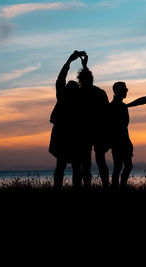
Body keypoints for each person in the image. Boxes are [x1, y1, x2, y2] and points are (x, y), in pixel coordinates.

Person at [49, 51, 83, 189]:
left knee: (63, 166)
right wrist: (75, 63)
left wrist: (69, 61)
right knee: (71, 166)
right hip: (67, 135)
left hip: (67, 135)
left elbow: (60, 79)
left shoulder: (65, 98)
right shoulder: (75, 100)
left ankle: (59, 188)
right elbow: (61, 79)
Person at [77, 53, 110, 189]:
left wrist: (84, 66)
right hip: (98, 131)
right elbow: (108, 114)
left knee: (86, 163)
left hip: (86, 131)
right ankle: (106, 186)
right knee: (99, 161)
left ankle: (89, 186)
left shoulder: (78, 94)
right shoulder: (99, 92)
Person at [108, 82, 133, 190]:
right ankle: (119, 187)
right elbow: (123, 125)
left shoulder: (120, 106)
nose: (126, 91)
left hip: (122, 140)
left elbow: (125, 125)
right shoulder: (118, 106)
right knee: (120, 166)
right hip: (119, 141)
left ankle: (119, 186)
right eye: (124, 89)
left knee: (121, 166)